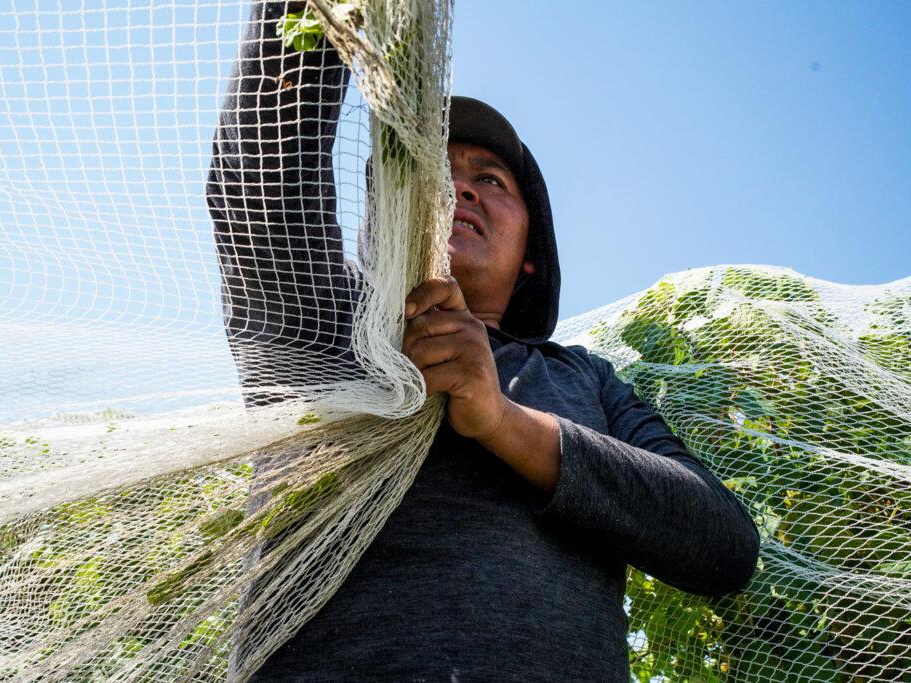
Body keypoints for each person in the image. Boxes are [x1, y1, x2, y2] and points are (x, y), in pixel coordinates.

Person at [207, 2, 760, 679]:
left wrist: (504, 422)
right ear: (382, 215)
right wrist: (310, 15)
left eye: (490, 180)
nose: (459, 186)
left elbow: (723, 544)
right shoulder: (323, 315)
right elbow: (258, 175)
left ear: (530, 254)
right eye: (434, 170)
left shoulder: (585, 381)